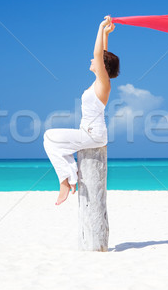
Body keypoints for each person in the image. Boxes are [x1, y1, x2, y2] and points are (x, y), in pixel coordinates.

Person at [43, 16, 120, 205]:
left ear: (103, 66)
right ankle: (70, 177)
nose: (91, 59)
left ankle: (65, 181)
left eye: (96, 60)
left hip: (93, 135)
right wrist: (106, 33)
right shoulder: (99, 83)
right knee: (52, 141)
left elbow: (98, 53)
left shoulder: (104, 83)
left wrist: (99, 27)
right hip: (90, 133)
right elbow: (102, 53)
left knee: (49, 136)